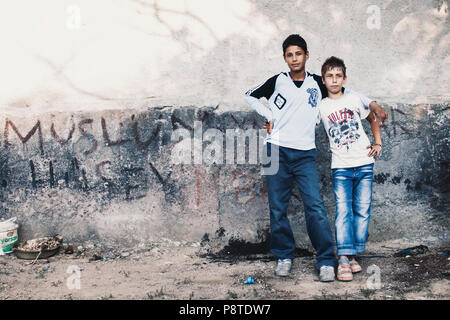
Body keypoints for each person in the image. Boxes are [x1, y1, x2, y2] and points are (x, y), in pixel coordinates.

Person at [244, 34, 387, 282]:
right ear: (285, 58)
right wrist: (269, 115)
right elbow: (249, 95)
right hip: (273, 150)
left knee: (316, 207)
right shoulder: (277, 81)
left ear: (306, 56)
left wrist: (373, 105)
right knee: (277, 207)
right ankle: (284, 256)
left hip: (304, 153)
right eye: (289, 54)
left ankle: (324, 259)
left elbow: (345, 91)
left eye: (298, 53)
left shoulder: (317, 84)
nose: (294, 58)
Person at [317, 56, 382, 281]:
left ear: (344, 78)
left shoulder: (354, 99)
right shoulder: (321, 106)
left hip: (364, 163)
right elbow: (303, 122)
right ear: (323, 80)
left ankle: (352, 254)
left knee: (362, 211)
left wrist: (377, 142)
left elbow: (373, 118)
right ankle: (343, 258)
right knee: (344, 211)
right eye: (329, 76)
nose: (334, 80)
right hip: (341, 167)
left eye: (338, 76)